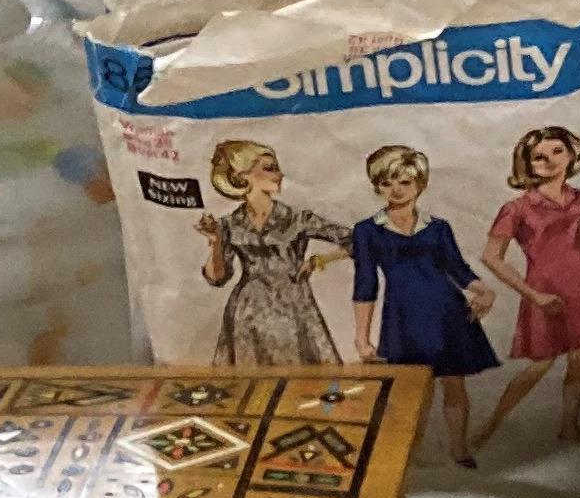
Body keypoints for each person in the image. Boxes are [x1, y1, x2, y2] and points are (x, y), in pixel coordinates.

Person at [481, 125, 580, 446]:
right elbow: (491, 257)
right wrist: (534, 295)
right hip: (547, 292)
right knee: (539, 366)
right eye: (539, 157)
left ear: (570, 154)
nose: (549, 161)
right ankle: (487, 430)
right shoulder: (517, 209)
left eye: (556, 152)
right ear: (528, 164)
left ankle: (569, 427)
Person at [349, 145, 501, 467]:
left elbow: (458, 269)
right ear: (377, 186)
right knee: (406, 391)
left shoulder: (438, 227)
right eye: (388, 182)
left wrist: (483, 290)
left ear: (420, 184)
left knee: (453, 383)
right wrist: (361, 337)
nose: (397, 190)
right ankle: (403, 454)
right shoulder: (367, 231)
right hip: (403, 318)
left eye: (405, 182)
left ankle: (458, 448)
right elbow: (365, 284)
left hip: (447, 312)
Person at [196, 139, 342, 367]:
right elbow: (217, 278)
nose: (279, 174)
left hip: (294, 309)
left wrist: (319, 260)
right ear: (242, 175)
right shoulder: (229, 224)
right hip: (248, 313)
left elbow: (358, 239)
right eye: (269, 168)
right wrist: (216, 242)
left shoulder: (297, 218)